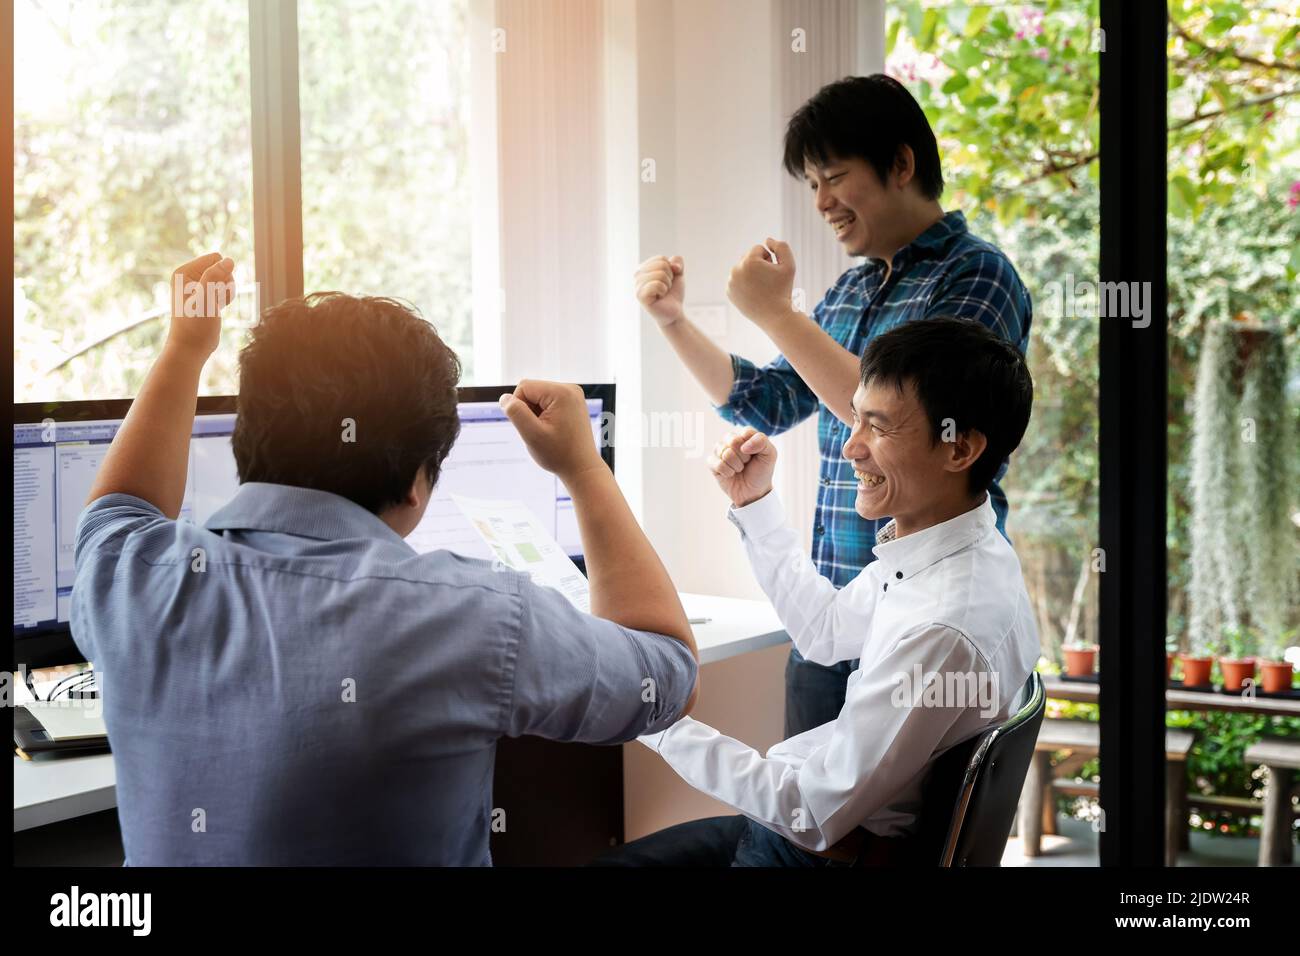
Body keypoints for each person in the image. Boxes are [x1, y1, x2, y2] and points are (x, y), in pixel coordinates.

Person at [70, 253, 699, 865]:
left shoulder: (131, 576)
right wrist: (583, 468)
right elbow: (668, 674)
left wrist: (185, 348)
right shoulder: (479, 616)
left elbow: (119, 506)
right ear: (418, 481)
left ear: (246, 435)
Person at [633, 74, 1032, 740]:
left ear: (900, 164)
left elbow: (910, 415)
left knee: (886, 812)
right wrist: (673, 321)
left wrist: (776, 314)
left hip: (927, 613)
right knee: (805, 803)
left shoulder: (977, 274)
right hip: (834, 613)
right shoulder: (850, 290)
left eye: (835, 177)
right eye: (811, 184)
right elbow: (765, 401)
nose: (821, 202)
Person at [594, 317, 1039, 866]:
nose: (851, 447)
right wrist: (755, 504)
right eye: (855, 418)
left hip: (814, 852)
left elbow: (809, 813)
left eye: (879, 428)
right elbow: (824, 632)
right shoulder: (958, 550)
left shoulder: (943, 626)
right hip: (807, 832)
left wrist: (655, 719)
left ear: (958, 448)